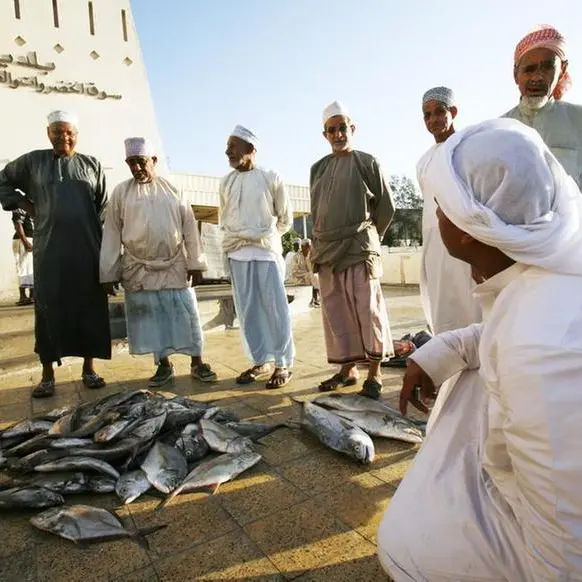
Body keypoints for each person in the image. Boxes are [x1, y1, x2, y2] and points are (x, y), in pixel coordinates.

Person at [377, 118, 582, 580]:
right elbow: (486, 334)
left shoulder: (538, 348)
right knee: (468, 378)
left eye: (440, 207)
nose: (436, 218)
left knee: (405, 543)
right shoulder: (543, 276)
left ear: (470, 228)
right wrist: (435, 353)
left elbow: (568, 548)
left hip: (555, 554)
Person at [0, 110, 111, 398]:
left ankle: (89, 368)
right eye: (57, 132)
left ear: (77, 133)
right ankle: (47, 375)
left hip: (88, 248)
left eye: (69, 131)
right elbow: (3, 181)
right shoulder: (33, 162)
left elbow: (102, 208)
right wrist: (25, 204)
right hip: (49, 250)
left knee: (89, 307)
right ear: (48, 134)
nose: (64, 136)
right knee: (48, 308)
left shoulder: (91, 164)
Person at [100, 138, 216, 388]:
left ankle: (197, 363)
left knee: (186, 315)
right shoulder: (121, 192)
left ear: (154, 160)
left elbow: (189, 229)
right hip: (137, 267)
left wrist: (195, 263)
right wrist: (108, 273)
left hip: (174, 265)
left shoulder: (174, 189)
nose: (137, 168)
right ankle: (164, 365)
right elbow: (111, 233)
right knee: (152, 318)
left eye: (141, 162)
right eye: (131, 163)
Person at [310, 101, 395, 399]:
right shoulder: (317, 169)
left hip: (360, 248)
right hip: (326, 252)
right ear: (325, 134)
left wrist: (370, 237)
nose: (337, 134)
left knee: (367, 310)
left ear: (352, 129)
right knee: (337, 314)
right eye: (331, 130)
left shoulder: (367, 162)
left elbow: (386, 207)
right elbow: (316, 210)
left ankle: (375, 372)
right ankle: (347, 370)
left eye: (342, 128)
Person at [219, 125, 295, 389]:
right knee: (248, 311)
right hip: (237, 254)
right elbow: (224, 219)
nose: (227, 151)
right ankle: (260, 360)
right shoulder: (226, 181)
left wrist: (265, 237)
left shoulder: (270, 176)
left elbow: (285, 218)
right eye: (227, 146)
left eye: (233, 146)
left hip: (265, 253)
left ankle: (282, 363)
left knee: (276, 310)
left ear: (250, 150)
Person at [418, 86, 482, 334]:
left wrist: (478, 253)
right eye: (427, 115)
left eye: (439, 112)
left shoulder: (467, 147)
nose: (433, 119)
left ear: (453, 112)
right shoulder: (423, 161)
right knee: (442, 308)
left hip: (466, 241)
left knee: (473, 308)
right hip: (435, 245)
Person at [502, 24, 582, 187]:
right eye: (529, 69)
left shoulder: (578, 119)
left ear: (562, 70)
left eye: (547, 68)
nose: (537, 77)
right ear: (516, 74)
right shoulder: (499, 129)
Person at [11, 208, 34, 306]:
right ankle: (23, 296)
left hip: (31, 239)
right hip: (23, 240)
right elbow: (18, 224)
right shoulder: (20, 206)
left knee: (32, 268)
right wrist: (25, 242)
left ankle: (32, 296)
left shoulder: (36, 203)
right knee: (24, 268)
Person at [287, 238, 321, 307]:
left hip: (310, 278)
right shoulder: (296, 257)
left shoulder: (312, 255)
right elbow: (294, 272)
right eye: (308, 246)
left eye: (310, 246)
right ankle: (315, 298)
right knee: (312, 276)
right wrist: (307, 274)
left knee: (315, 276)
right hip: (299, 279)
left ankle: (317, 297)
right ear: (302, 247)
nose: (309, 247)